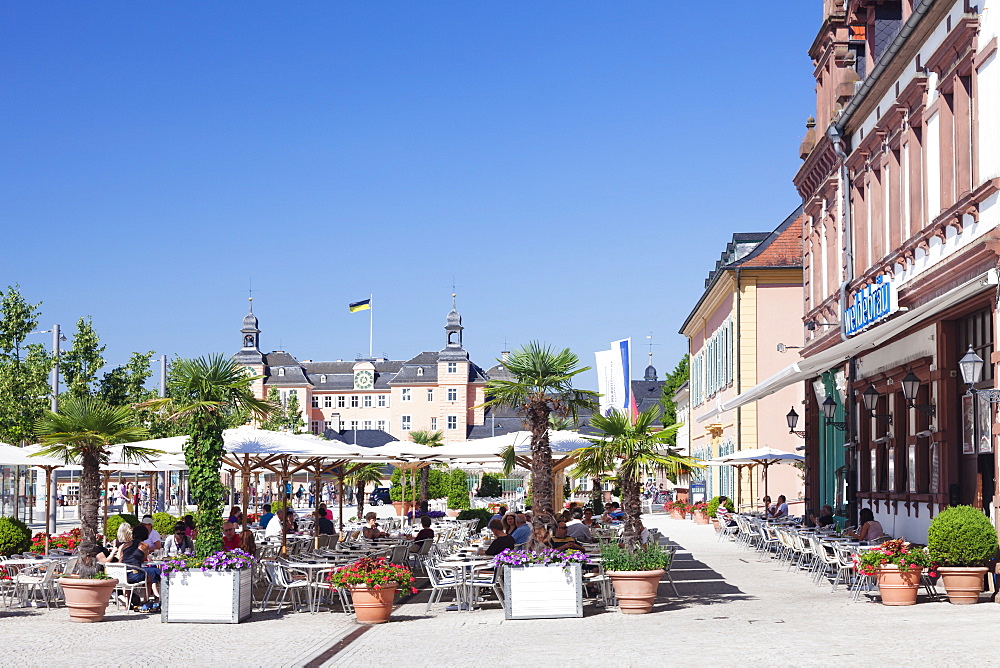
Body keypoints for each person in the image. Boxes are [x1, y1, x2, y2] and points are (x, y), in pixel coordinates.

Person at [120, 523, 161, 612]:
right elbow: (143, 559)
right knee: (150, 576)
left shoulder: (125, 545)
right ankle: (145, 600)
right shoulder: (144, 546)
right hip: (135, 574)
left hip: (122, 574)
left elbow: (121, 559)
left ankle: (127, 604)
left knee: (130, 579)